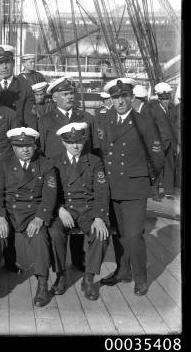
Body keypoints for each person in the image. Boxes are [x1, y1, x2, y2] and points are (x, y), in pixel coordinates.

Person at [97, 78, 164, 296]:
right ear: (111, 100)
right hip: (112, 186)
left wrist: (148, 181)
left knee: (134, 235)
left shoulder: (143, 121)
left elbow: (157, 155)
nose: (120, 101)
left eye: (124, 96)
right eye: (116, 97)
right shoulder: (105, 120)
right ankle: (123, 271)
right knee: (120, 233)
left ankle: (140, 276)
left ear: (132, 97)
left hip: (135, 187)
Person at [0, 127, 56, 306]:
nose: (25, 150)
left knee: (40, 238)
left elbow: (49, 197)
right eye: (19, 146)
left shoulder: (45, 165)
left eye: (29, 146)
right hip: (9, 213)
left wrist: (40, 218)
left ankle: (42, 284)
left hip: (32, 214)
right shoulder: (4, 163)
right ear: (13, 147)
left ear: (35, 146)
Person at [38, 76, 96, 271]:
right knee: (57, 226)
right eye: (65, 94)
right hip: (56, 177)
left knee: (79, 216)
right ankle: (58, 267)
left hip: (81, 177)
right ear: (54, 97)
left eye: (71, 93)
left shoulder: (86, 118)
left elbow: (93, 150)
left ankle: (79, 260)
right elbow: (43, 151)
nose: (70, 97)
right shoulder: (45, 120)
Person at [48, 122, 110, 301]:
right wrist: (59, 209)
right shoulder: (54, 162)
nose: (76, 146)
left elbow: (101, 191)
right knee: (54, 232)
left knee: (101, 233)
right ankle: (60, 275)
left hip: (87, 210)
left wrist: (99, 216)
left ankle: (89, 279)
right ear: (63, 142)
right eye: (70, 142)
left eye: (79, 142)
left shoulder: (94, 161)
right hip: (64, 209)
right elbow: (48, 191)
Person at [0, 45, 37, 129]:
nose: (4, 67)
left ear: (13, 63)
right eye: (0, 63)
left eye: (7, 62)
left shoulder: (25, 87)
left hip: (16, 135)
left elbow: (29, 119)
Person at [147, 82, 179, 199]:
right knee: (157, 168)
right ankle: (154, 192)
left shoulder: (171, 109)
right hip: (159, 144)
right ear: (159, 98)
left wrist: (176, 143)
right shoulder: (153, 110)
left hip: (170, 143)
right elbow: (151, 128)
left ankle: (169, 191)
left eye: (167, 99)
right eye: (163, 99)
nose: (166, 101)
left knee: (170, 167)